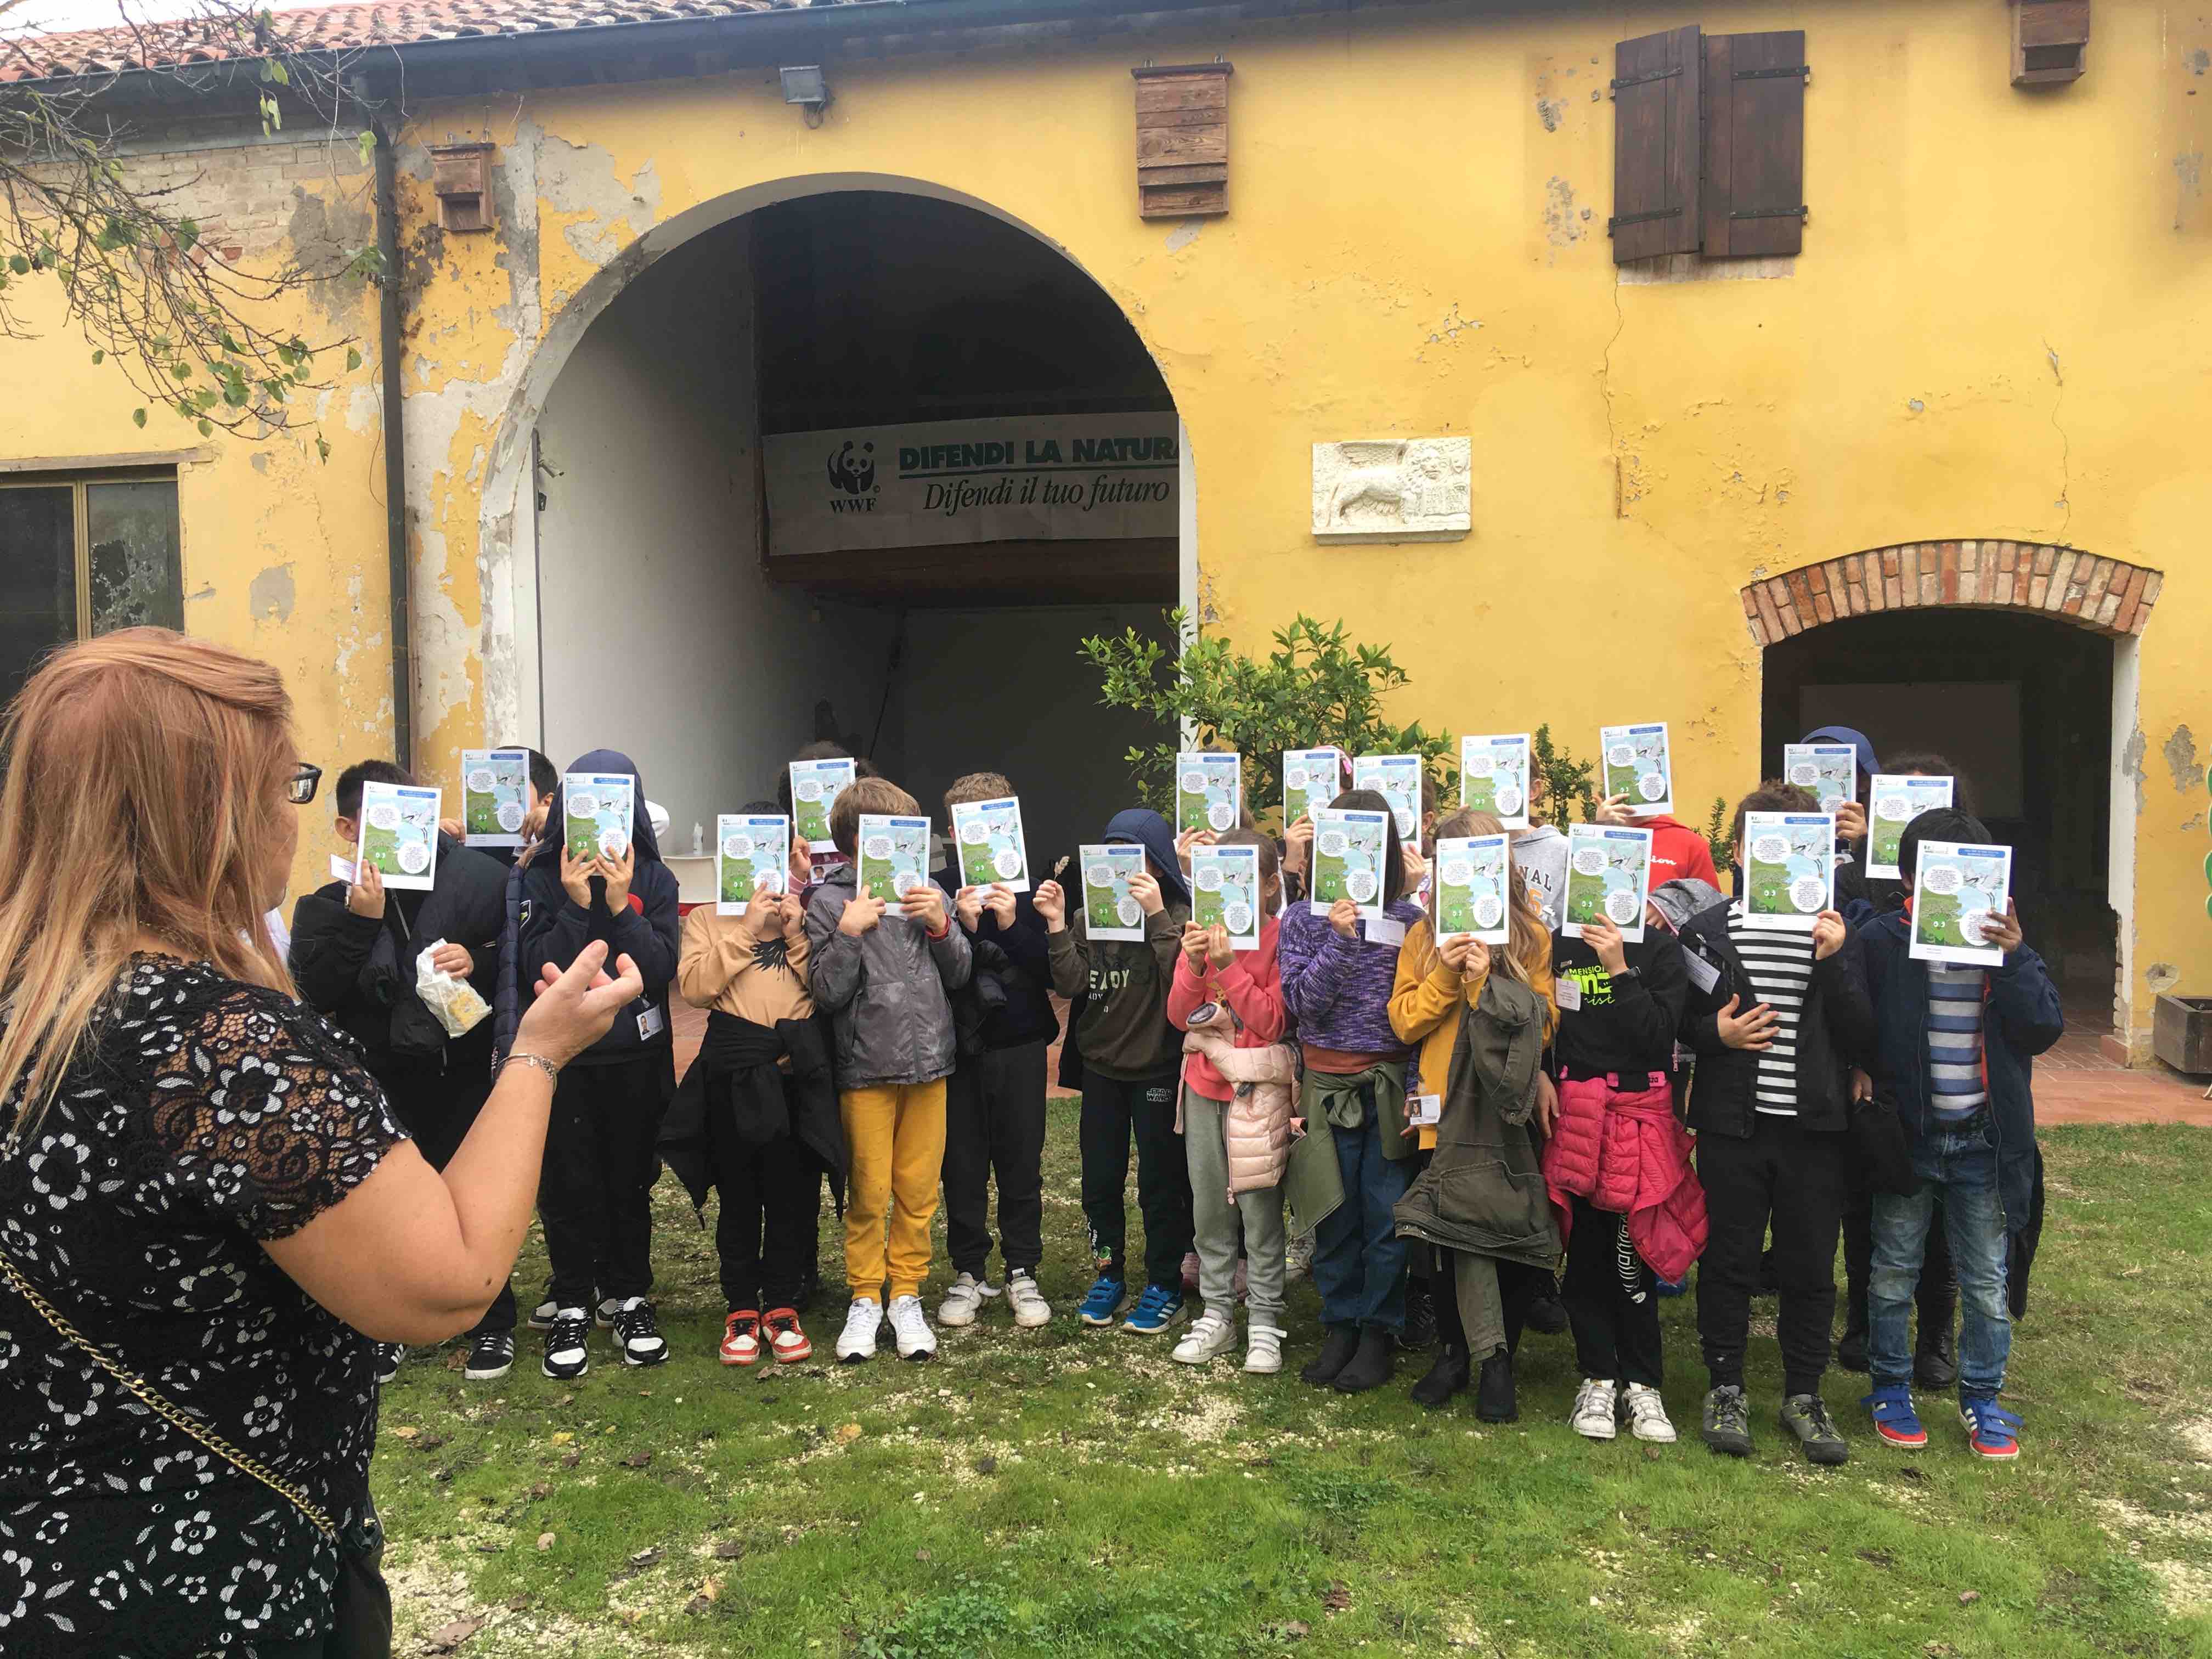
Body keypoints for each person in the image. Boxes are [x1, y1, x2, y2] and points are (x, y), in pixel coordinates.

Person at [0, 628, 637, 1659]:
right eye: (282, 782)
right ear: (207, 808)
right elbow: (449, 1276)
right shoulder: (216, 1044)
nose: (292, 818)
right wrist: (539, 1052)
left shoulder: (30, 1007)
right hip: (210, 1577)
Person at [290, 760, 515, 1383]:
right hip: (376, 1080)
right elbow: (318, 987)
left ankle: (492, 1322)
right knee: (387, 1209)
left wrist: (481, 959)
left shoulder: (478, 877)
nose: (402, 831)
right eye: (382, 819)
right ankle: (385, 1327)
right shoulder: (325, 904)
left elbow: (515, 959)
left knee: (470, 1195)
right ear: (345, 827)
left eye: (412, 813)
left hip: (462, 1069)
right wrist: (362, 923)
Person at [1677, 781, 1874, 1466]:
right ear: (1738, 851)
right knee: (1727, 1259)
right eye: (1763, 843)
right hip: (1734, 1125)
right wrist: (1718, 1035)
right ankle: (1725, 1386)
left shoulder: (1833, 927)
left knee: (1810, 1264)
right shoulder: (1711, 929)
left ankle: (1804, 1394)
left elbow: (1861, 1033)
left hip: (1815, 1125)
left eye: (1799, 844)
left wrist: (1838, 960)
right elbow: (1684, 1022)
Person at [1858, 807, 2062, 1460]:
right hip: (1909, 1137)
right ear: (1913, 876)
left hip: (1983, 1140)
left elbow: (2042, 1029)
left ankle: (1983, 1397)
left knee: (1984, 1280)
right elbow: (1856, 1018)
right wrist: (1859, 1072)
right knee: (1892, 1270)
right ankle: (1889, 1386)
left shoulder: (2004, 946)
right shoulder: (1885, 940)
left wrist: (2015, 956)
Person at [517, 751, 682, 1379]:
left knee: (629, 1179)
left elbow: (660, 971)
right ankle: (571, 1297)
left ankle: (629, 1293)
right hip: (565, 1060)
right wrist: (571, 901)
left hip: (635, 1059)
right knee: (566, 1181)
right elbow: (541, 970)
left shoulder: (655, 881)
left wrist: (618, 906)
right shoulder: (540, 876)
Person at [1389, 808, 1559, 1419]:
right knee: (1446, 1234)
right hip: (1441, 1107)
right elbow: (1404, 1020)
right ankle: (1456, 1356)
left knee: (1504, 1229)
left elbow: (1545, 1024)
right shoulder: (1420, 936)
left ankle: (1499, 1360)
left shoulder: (1530, 935)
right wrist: (1445, 973)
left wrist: (1487, 983)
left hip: (1503, 1107)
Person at [806, 776, 972, 1364]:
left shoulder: (928, 893)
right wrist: (849, 933)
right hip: (866, 1069)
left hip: (930, 1064)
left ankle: (906, 1293)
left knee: (919, 1189)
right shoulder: (828, 903)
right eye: (886, 834)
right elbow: (826, 992)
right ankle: (864, 1297)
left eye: (909, 834)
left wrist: (943, 926)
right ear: (855, 842)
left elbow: (959, 975)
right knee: (869, 1190)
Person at [665, 810, 839, 1367]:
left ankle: (783, 1303)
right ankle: (741, 1304)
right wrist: (745, 930)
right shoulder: (708, 919)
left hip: (793, 1074)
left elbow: (827, 991)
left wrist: (794, 931)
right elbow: (694, 988)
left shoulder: (805, 915)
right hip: (734, 1073)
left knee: (793, 1193)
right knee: (738, 1195)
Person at [1542, 871, 1697, 1444]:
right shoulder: (1557, 944)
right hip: (1579, 1114)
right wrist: (1540, 1077)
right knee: (1585, 1255)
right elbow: (1546, 1026)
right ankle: (1597, 1378)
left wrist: (1617, 969)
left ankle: (1643, 1383)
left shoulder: (1659, 950)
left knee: (1636, 1254)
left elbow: (1659, 1034)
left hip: (1640, 1113)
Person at [1279, 787, 1425, 1395]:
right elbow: (1302, 1006)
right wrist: (1340, 939)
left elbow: (1422, 1015)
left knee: (1386, 1212)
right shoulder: (1301, 920)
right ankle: (1340, 1321)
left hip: (1389, 1083)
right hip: (1326, 1081)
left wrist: (1419, 1089)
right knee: (1332, 1210)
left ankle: (1378, 1330)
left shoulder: (1410, 920)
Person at [1037, 808, 1195, 1336]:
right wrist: (1060, 925)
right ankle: (1108, 1273)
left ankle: (1165, 1280)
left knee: (1161, 1183)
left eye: (1137, 855)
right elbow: (1070, 985)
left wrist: (1156, 915)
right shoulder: (1092, 915)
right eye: (1113, 852)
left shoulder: (1178, 912)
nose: (1126, 868)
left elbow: (1185, 981)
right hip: (1103, 1068)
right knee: (1100, 1181)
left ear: (1157, 861)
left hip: (1157, 1068)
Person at [1837, 750, 1963, 1381]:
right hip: (1883, 1084)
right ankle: (1862, 1321)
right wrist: (1859, 859)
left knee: (1940, 1220)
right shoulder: (1866, 885)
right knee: (1869, 1202)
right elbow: (1849, 967)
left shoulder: (1980, 901)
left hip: (1951, 1090)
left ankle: (1936, 1337)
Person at [1165, 827, 1292, 1373]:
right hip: (1202, 1088)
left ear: (1268, 885)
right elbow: (1177, 1016)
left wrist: (1229, 968)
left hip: (1257, 1094)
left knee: (1261, 1209)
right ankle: (1217, 1313)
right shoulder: (1197, 935)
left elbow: (1271, 1021)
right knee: (1210, 1205)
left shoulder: (1280, 938)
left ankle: (1265, 1321)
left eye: (1244, 879)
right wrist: (1196, 965)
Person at [934, 773, 1058, 1332]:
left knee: (1020, 1161)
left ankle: (1022, 1268)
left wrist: (1012, 923)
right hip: (958, 1048)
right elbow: (934, 975)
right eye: (966, 826)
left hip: (1022, 1044)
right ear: (953, 833)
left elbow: (1052, 973)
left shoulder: (1035, 892)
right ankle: (967, 1270)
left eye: (991, 821)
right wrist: (956, 928)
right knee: (960, 1163)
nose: (977, 837)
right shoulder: (937, 888)